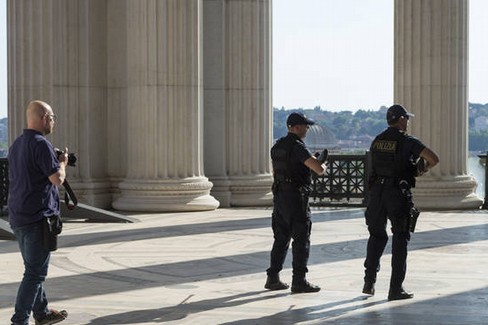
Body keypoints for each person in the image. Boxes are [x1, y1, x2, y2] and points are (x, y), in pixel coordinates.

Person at [362, 104, 439, 301]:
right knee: (400, 239)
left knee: (376, 237)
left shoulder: (377, 140)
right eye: (407, 118)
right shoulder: (407, 141)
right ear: (402, 119)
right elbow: (433, 158)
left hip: (377, 194)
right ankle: (395, 289)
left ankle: (369, 282)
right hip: (397, 194)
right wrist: (420, 169)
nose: (408, 122)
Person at [8, 100, 69, 325]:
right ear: (44, 118)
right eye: (52, 117)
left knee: (32, 268)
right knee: (35, 274)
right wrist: (61, 163)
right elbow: (57, 180)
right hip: (37, 218)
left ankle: (42, 313)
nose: (53, 121)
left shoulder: (16, 144)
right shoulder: (41, 144)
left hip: (18, 217)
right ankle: (19, 321)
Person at [265, 112, 327, 293]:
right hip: (296, 199)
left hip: (280, 197)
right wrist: (323, 163)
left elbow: (279, 172)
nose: (307, 129)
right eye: (306, 126)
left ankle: (273, 277)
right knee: (301, 239)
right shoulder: (298, 146)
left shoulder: (277, 146)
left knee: (280, 239)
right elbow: (317, 169)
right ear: (297, 127)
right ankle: (299, 281)